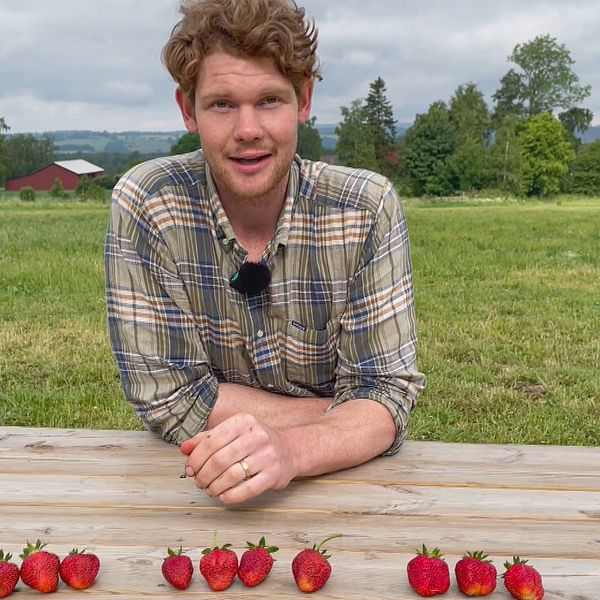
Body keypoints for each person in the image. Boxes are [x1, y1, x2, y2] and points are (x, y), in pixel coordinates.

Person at [105, 0, 425, 505]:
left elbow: (387, 394)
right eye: (222, 104)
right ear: (187, 109)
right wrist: (348, 415)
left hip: (346, 489)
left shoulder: (367, 208)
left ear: (304, 99)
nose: (248, 130)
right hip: (187, 487)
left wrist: (293, 449)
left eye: (270, 100)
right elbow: (167, 399)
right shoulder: (148, 203)